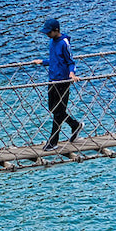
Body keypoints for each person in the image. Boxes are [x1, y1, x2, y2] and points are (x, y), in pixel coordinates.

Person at [38, 17, 81, 146]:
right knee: (53, 108)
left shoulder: (64, 43)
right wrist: (43, 62)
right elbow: (55, 60)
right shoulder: (52, 42)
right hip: (52, 80)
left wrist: (72, 74)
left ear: (56, 30)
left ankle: (53, 142)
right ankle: (75, 125)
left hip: (63, 81)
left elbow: (70, 61)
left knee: (58, 111)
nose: (47, 35)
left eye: (49, 32)